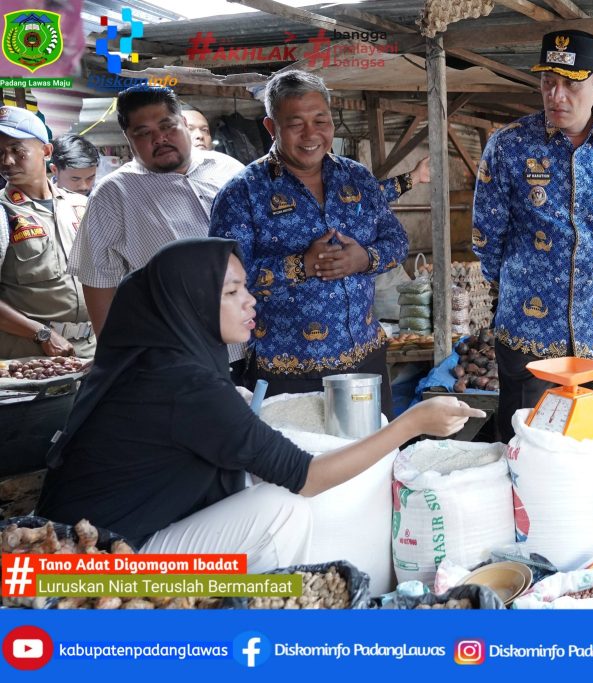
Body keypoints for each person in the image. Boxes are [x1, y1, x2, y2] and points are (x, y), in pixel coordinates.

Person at [36, 239, 483, 570]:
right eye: (231, 292)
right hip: (94, 566)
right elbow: (307, 479)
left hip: (88, 539)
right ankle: (243, 627)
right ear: (188, 302)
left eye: (245, 287)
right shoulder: (183, 384)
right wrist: (409, 425)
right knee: (280, 510)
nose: (250, 300)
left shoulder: (156, 359)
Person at [472, 30, 593, 443]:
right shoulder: (509, 146)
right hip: (527, 329)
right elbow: (486, 234)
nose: (557, 95)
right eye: (548, 82)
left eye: (571, 84)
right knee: (523, 443)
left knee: (586, 444)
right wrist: (519, 283)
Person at [209, 71, 408, 412]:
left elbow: (398, 240)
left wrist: (365, 259)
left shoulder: (357, 177)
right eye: (295, 124)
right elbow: (220, 280)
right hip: (286, 370)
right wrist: (301, 265)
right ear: (271, 127)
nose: (311, 134)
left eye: (320, 120)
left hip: (365, 361)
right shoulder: (242, 193)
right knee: (298, 448)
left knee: (377, 446)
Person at [68, 85, 244, 336]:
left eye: (167, 126)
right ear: (128, 138)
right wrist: (111, 352)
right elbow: (99, 280)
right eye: (143, 132)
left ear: (184, 123)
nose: (160, 138)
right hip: (175, 342)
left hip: (251, 335)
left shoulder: (229, 170)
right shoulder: (113, 194)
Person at [0, 106, 93, 358]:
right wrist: (41, 333)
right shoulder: (3, 211)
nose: (7, 161)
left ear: (46, 151)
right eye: (0, 153)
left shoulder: (81, 206)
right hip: (29, 355)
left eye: (17, 150)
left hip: (91, 348)